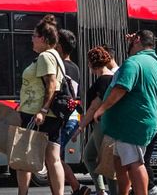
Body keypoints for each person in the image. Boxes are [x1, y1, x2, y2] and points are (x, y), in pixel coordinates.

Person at [94, 30, 157, 195]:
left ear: (137, 40)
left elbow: (122, 87)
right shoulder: (156, 62)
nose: (128, 45)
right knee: (119, 161)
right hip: (140, 122)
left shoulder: (134, 62)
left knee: (135, 162)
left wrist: (102, 108)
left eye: (132, 41)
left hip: (131, 123)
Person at [15, 15, 66, 195]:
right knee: (53, 158)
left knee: (23, 158)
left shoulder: (45, 56)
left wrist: (42, 110)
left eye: (34, 36)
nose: (31, 39)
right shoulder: (56, 56)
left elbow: (51, 84)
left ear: (43, 39)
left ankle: (22, 193)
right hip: (51, 114)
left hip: (36, 114)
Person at [72, 46, 115, 195]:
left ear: (91, 63)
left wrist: (80, 128)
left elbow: (93, 109)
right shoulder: (113, 77)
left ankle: (111, 191)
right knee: (89, 156)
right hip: (107, 124)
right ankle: (101, 190)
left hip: (101, 125)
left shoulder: (103, 81)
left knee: (105, 163)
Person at [57, 29, 90, 195]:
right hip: (73, 117)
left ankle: (77, 188)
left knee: (54, 157)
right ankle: (73, 188)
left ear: (60, 46)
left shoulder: (59, 65)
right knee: (56, 157)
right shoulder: (75, 67)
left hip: (65, 117)